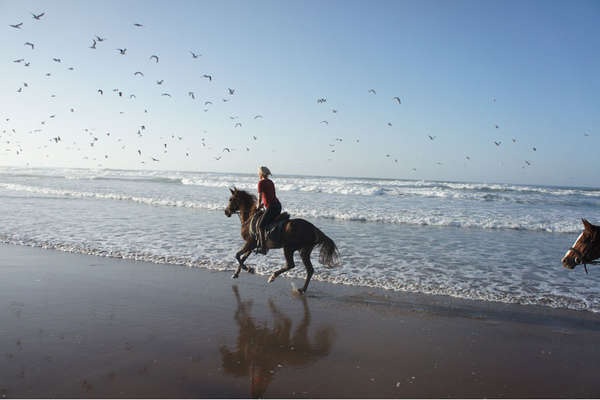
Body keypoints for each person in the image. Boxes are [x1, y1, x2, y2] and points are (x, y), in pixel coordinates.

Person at [256, 166, 281, 254]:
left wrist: (259, 205)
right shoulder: (270, 182)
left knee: (261, 226)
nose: (258, 174)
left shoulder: (261, 183)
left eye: (258, 173)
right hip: (278, 205)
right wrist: (264, 204)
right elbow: (271, 196)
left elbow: (259, 197)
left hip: (272, 207)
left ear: (261, 174)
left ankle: (263, 248)